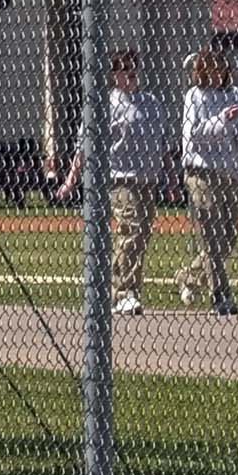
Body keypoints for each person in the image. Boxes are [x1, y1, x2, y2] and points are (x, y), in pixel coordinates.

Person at [55, 49, 172, 315]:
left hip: (148, 179)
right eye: (124, 68)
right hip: (121, 179)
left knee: (140, 237)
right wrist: (70, 181)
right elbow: (83, 146)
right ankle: (123, 293)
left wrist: (171, 177)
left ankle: (130, 289)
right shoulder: (106, 104)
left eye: (134, 67)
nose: (131, 71)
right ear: (114, 75)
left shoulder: (151, 102)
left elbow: (162, 143)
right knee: (129, 233)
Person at [175, 49, 238, 316]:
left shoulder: (237, 95)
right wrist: (221, 120)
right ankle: (221, 295)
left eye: (221, 67)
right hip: (202, 172)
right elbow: (194, 136)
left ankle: (189, 275)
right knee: (211, 237)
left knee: (227, 237)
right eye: (211, 68)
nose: (218, 73)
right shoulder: (194, 97)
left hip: (229, 172)